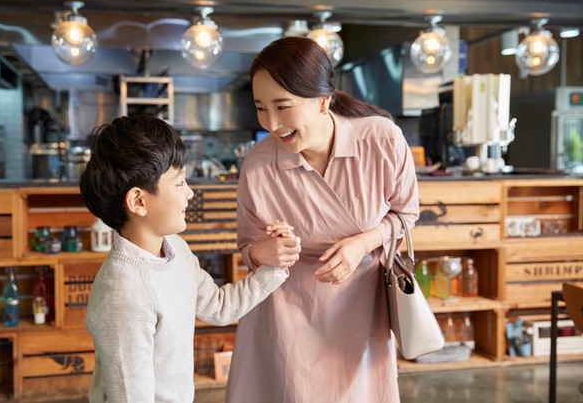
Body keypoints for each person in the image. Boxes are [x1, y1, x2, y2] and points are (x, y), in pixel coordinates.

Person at [226, 37, 420, 403]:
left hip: (360, 306)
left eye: (283, 107)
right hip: (285, 314)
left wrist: (363, 242)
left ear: (323, 101)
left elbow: (406, 213)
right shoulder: (258, 164)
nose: (271, 123)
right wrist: (265, 252)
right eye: (261, 108)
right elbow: (247, 251)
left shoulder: (381, 140)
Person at [79, 115, 300, 403]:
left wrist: (273, 265)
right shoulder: (122, 295)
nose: (190, 193)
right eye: (180, 182)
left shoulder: (175, 249)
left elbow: (219, 307)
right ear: (139, 201)